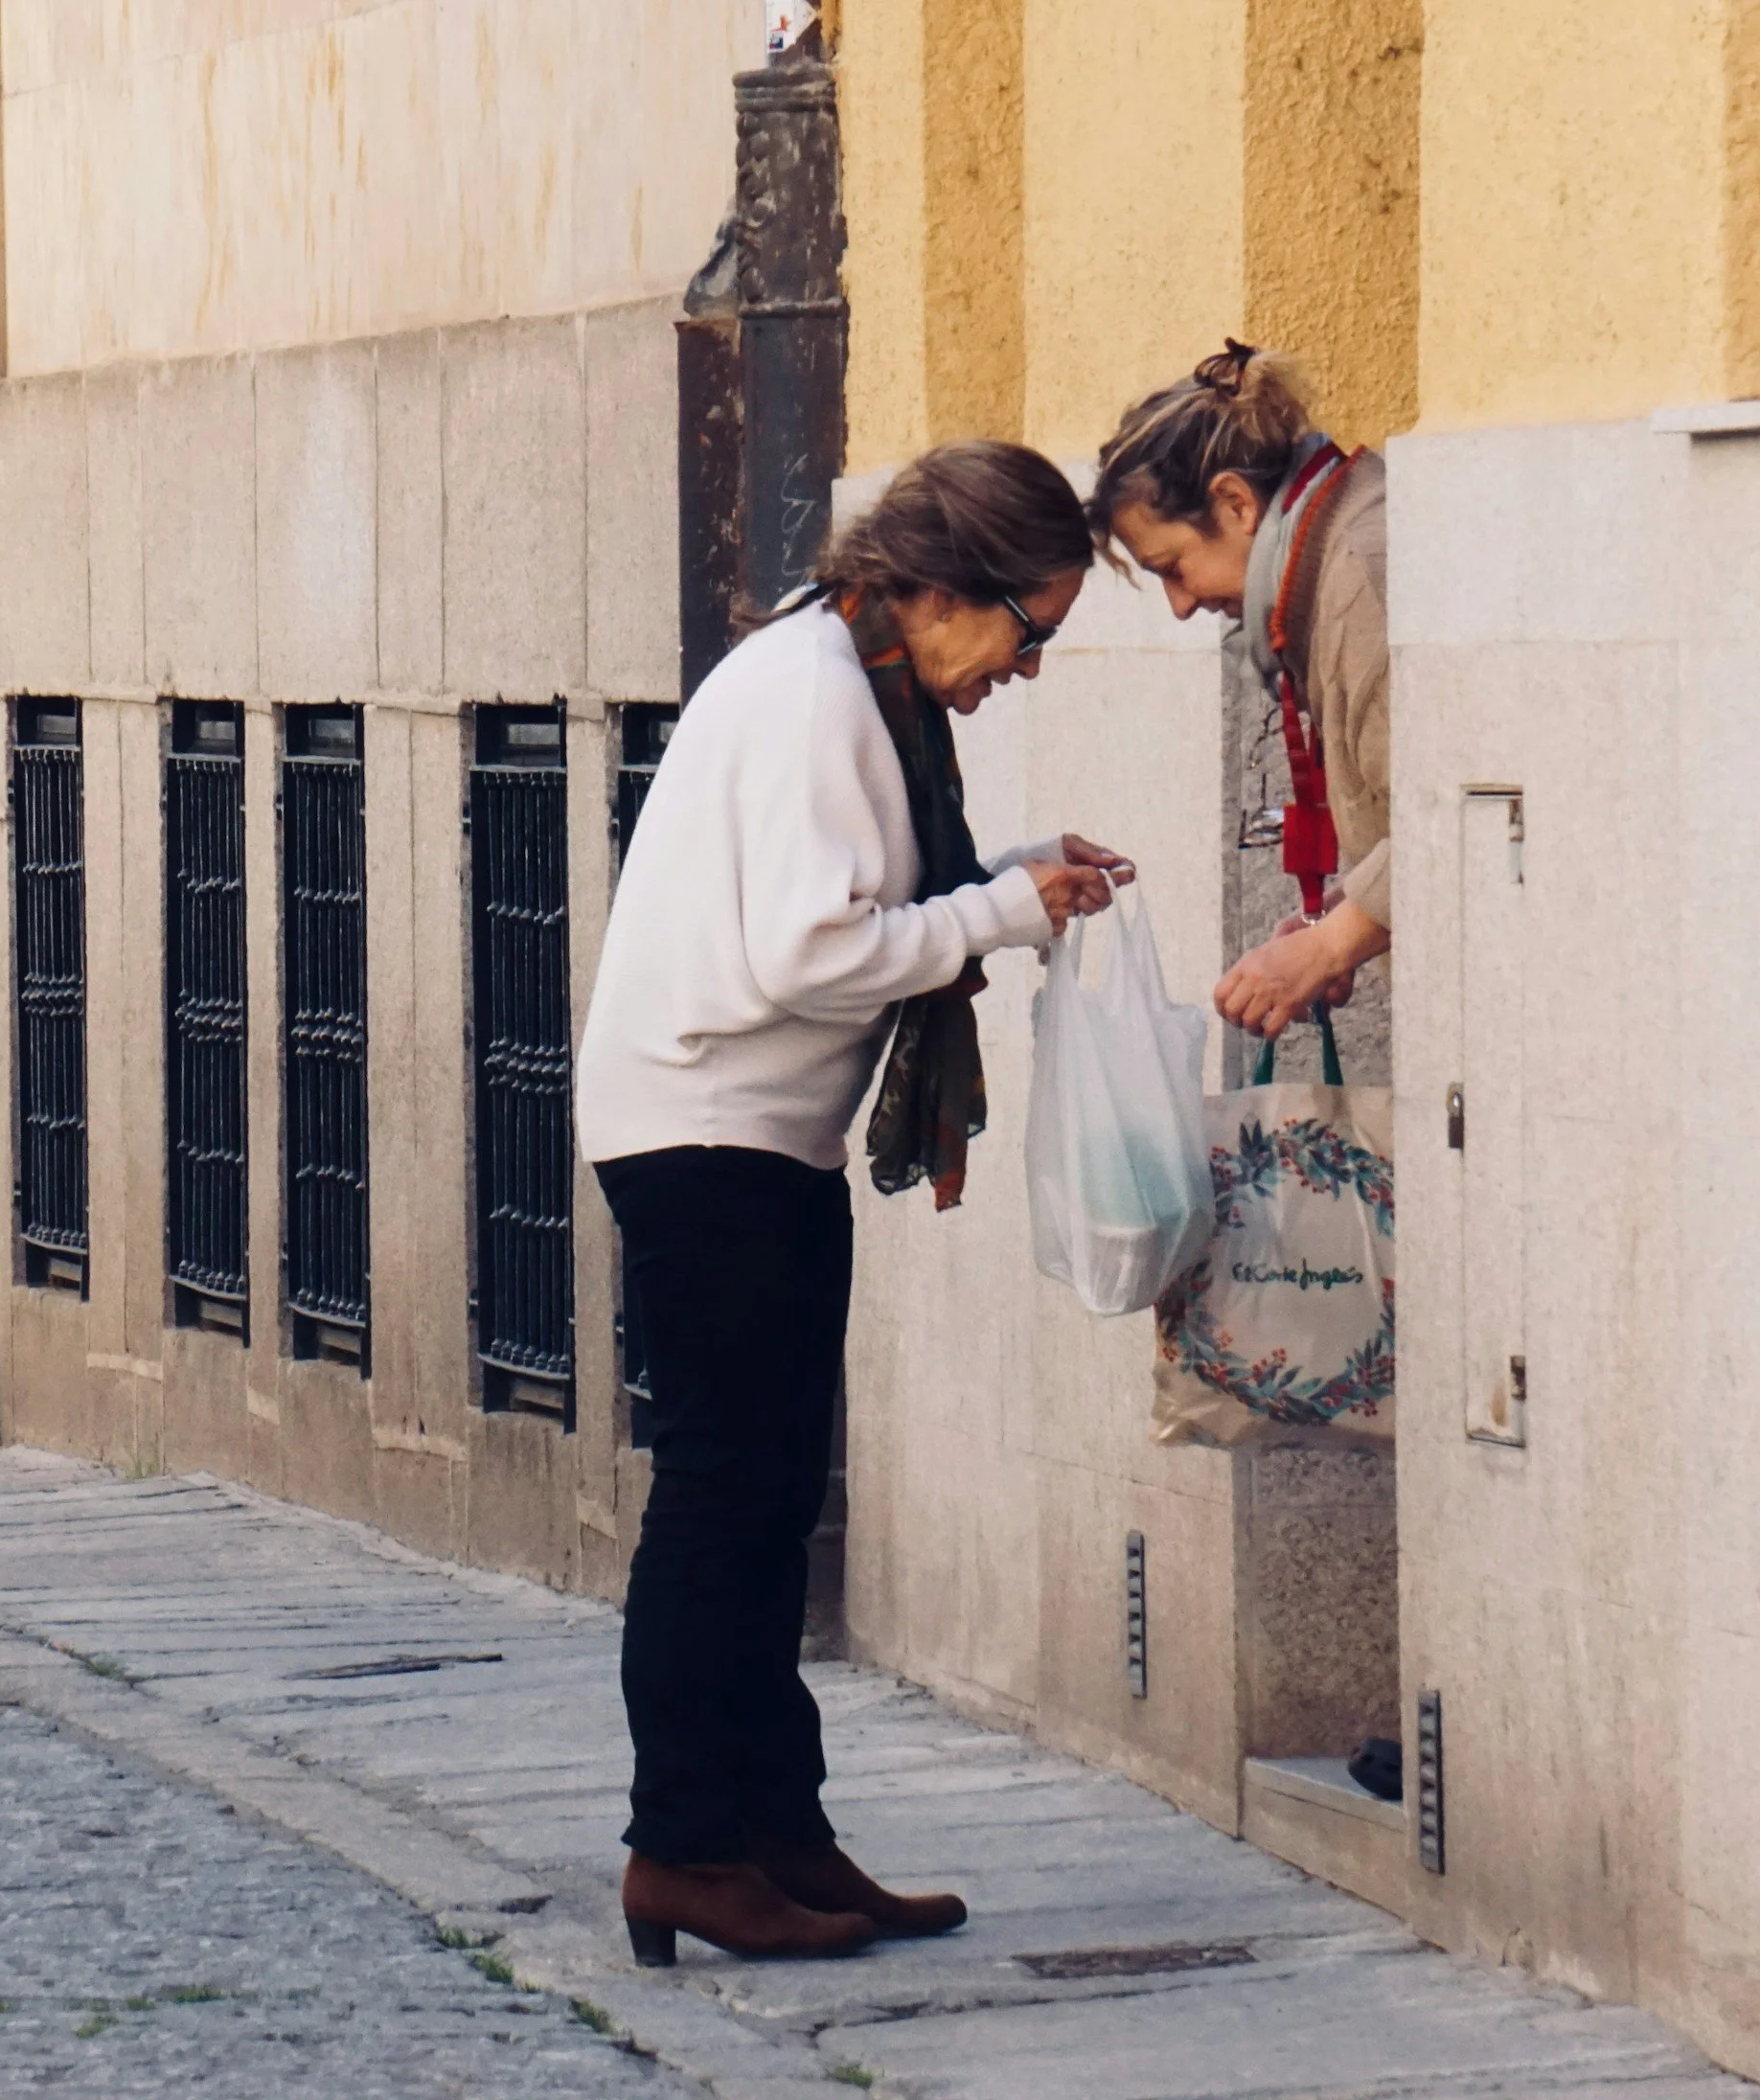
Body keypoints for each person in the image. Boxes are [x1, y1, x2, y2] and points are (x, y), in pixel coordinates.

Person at [577, 441, 1132, 1965]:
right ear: (949, 588)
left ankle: (774, 1830)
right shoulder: (820, 692)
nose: (1023, 671)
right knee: (721, 1503)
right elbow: (813, 953)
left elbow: (869, 905)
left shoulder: (850, 682)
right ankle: (685, 1846)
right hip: (707, 1130)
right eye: (1031, 634)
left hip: (754, 1134)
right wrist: (1004, 913)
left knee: (764, 1507)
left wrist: (1020, 876)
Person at [1087, 339, 1389, 1037]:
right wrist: (1344, 919)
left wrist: (1328, 943)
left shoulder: (1360, 581)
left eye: (1173, 568)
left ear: (1234, 503)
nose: (1181, 606)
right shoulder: (1332, 557)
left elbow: (1440, 824)